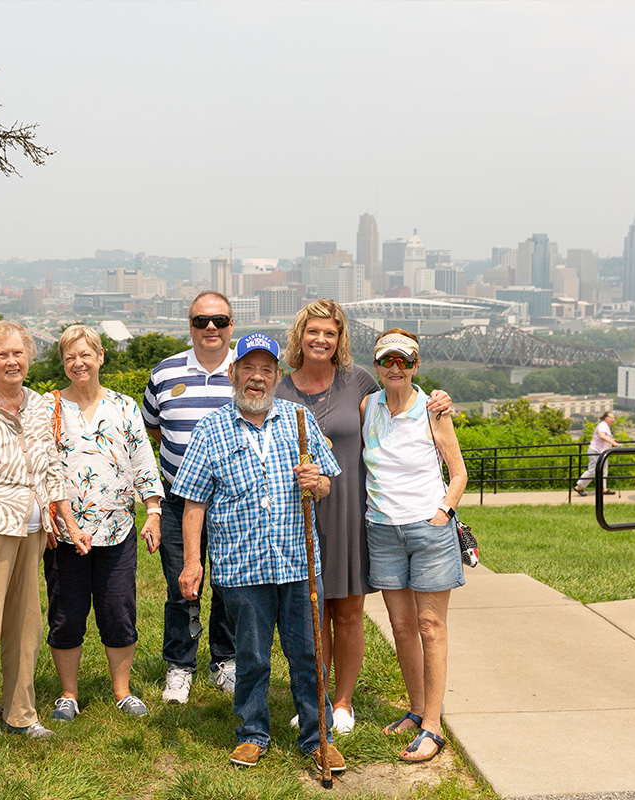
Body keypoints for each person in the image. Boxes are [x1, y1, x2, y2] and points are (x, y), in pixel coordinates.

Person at [275, 299, 451, 735]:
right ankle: (313, 697)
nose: (320, 340)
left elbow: (402, 401)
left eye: (329, 333)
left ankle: (343, 703)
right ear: (300, 336)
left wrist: (441, 400)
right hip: (296, 513)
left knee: (349, 613)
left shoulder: (359, 382)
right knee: (311, 614)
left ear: (340, 340)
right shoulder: (280, 389)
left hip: (351, 510)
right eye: (312, 332)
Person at [175, 333, 346, 774]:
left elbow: (328, 483)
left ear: (276, 376)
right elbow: (194, 503)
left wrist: (317, 483)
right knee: (251, 656)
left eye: (266, 370)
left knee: (308, 653)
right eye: (248, 369)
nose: (257, 378)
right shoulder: (211, 429)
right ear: (234, 374)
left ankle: (318, 737)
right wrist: (193, 562)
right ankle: (253, 734)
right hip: (241, 565)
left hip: (297, 563)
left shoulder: (299, 419)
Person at [0, 321, 91, 754]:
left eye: (19, 353)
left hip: (31, 532)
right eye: (1, 354)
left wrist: (69, 523)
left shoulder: (40, 405)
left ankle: (20, 715)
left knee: (25, 627)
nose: (12, 361)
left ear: (30, 357)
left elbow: (51, 469)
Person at [41, 325, 164, 722]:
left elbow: (144, 462)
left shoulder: (124, 407)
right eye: (69, 357)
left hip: (118, 531)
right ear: (63, 363)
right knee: (66, 614)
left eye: (85, 355)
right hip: (64, 533)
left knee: (119, 611)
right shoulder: (50, 407)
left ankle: (122, 691)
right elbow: (41, 466)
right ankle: (68, 693)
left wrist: (154, 513)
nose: (78, 363)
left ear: (100, 356)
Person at [361, 329, 467, 764]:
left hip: (428, 530)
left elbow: (458, 473)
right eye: (388, 361)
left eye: (404, 362)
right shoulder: (369, 406)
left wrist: (441, 512)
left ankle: (433, 726)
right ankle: (417, 708)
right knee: (401, 628)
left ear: (416, 366)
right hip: (382, 530)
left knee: (430, 626)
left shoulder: (434, 410)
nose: (395, 369)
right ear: (378, 365)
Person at [142, 291, 238, 704]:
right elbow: (154, 430)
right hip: (180, 502)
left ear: (231, 324)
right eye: (201, 321)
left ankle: (226, 661)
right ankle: (180, 666)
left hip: (236, 504)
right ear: (190, 325)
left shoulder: (250, 370)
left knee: (232, 587)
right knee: (182, 586)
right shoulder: (164, 374)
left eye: (218, 320)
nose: (211, 328)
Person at [575, 411, 619, 497]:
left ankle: (604, 489)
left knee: (604, 470)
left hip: (601, 452)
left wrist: (611, 440)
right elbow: (601, 435)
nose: (614, 420)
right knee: (593, 471)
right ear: (607, 419)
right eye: (612, 418)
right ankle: (579, 487)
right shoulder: (603, 425)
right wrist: (612, 443)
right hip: (595, 452)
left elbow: (603, 438)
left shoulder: (605, 426)